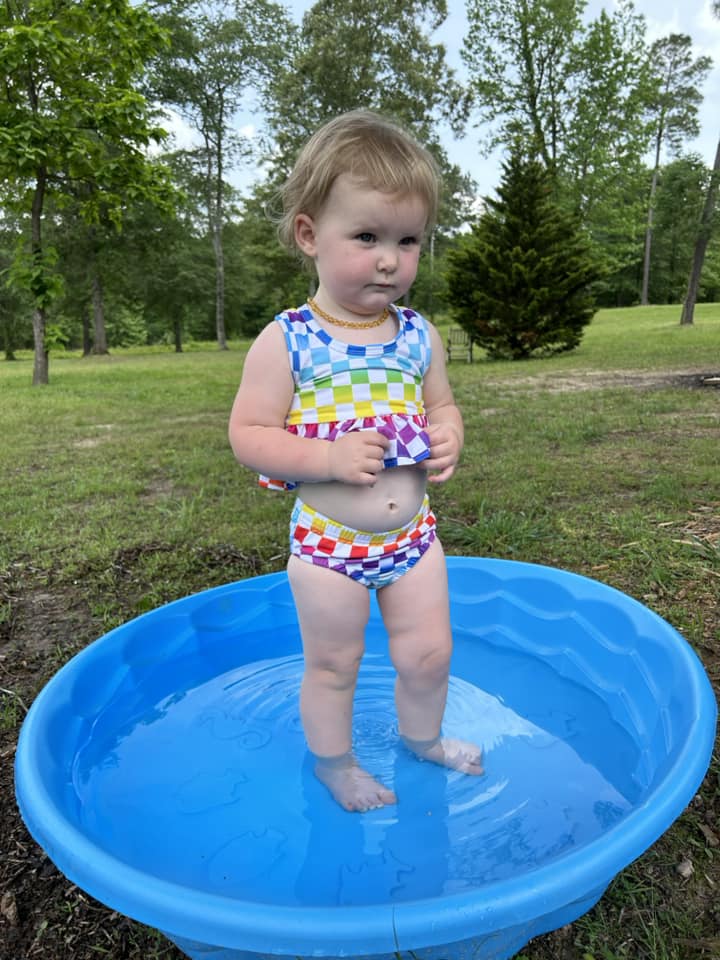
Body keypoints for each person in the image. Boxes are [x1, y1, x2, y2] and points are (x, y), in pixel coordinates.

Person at [228, 109, 483, 813]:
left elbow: (443, 406)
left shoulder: (417, 335)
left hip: (413, 539)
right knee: (336, 665)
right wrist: (329, 456)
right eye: (367, 236)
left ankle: (423, 740)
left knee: (430, 655)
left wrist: (449, 434)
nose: (389, 259)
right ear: (310, 234)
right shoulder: (288, 342)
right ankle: (335, 764)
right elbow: (249, 433)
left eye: (408, 241)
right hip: (329, 545)